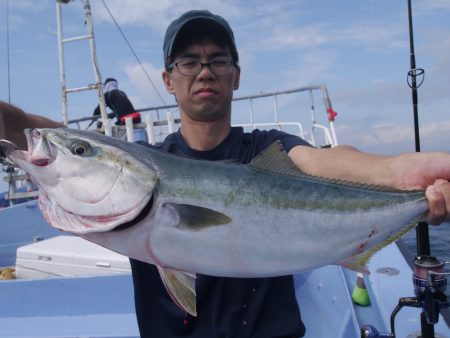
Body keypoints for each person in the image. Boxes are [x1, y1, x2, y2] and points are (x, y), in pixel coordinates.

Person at [0, 10, 449, 338]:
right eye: (188, 61)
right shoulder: (151, 159)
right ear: (168, 79)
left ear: (235, 75)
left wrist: (399, 172)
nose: (204, 71)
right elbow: (40, 133)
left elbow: (327, 160)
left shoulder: (269, 149)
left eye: (218, 59)